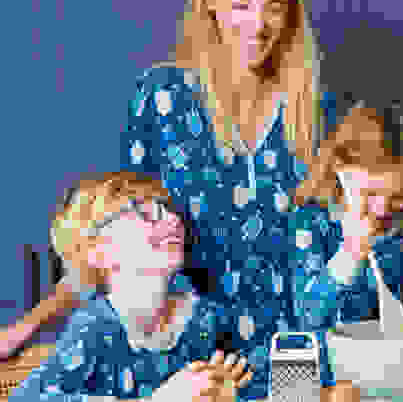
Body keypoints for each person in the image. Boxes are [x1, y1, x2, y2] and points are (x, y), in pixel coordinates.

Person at [1, 0, 351, 399]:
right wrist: (31, 323)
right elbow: (118, 224)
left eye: (274, 7)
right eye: (241, 4)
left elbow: (335, 244)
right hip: (191, 355)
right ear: (210, 2)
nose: (258, 23)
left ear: (293, 14)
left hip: (289, 350)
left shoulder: (315, 109)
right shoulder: (163, 98)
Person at [11, 171, 253, 402]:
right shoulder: (94, 329)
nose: (173, 219)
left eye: (169, 210)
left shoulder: (206, 319)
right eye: (145, 212)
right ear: (97, 249)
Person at [288, 104, 403, 334]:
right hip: (327, 364)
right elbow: (307, 318)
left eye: (399, 197)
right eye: (371, 193)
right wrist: (350, 254)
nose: (382, 210)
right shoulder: (312, 222)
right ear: (340, 169)